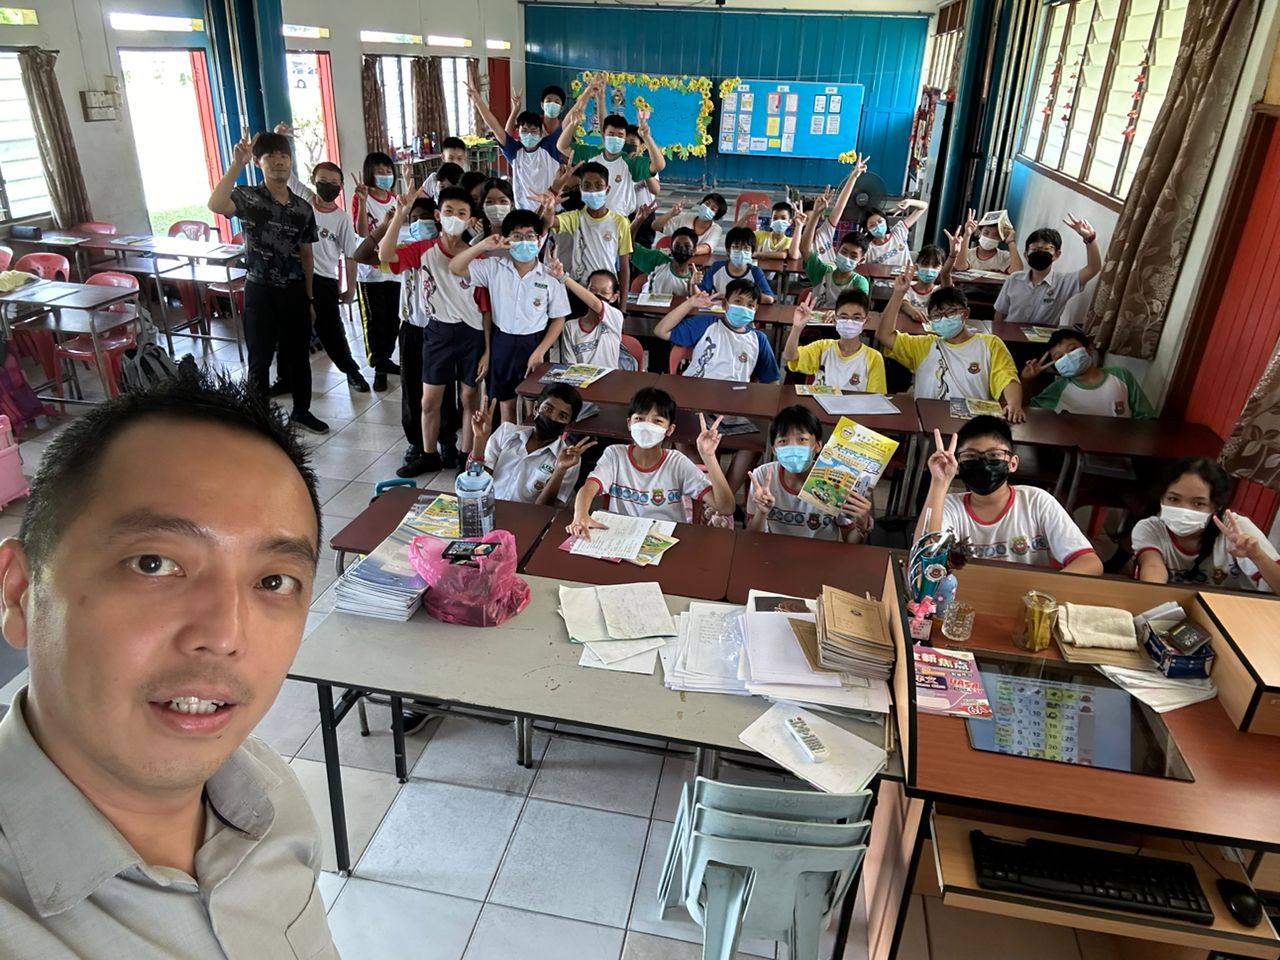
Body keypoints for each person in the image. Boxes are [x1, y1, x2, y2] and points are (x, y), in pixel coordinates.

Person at [0, 373, 336, 957]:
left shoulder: (271, 799)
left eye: (274, 581)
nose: (225, 635)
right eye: (153, 563)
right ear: (20, 592)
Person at [207, 130, 325, 434]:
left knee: (298, 356)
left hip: (295, 290)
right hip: (260, 290)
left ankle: (302, 411)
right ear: (259, 162)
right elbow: (216, 204)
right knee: (259, 357)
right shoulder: (248, 197)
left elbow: (307, 256)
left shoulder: (302, 208)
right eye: (271, 156)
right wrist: (237, 164)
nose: (279, 162)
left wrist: (310, 298)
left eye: (284, 156)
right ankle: (257, 419)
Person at [380, 186, 491, 477]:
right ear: (438, 215)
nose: (455, 217)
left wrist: (487, 350)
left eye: (462, 213)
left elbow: (485, 309)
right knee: (429, 401)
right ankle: (429, 455)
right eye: (449, 211)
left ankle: (467, 456)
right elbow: (385, 255)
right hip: (437, 333)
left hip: (471, 336)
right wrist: (399, 215)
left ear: (470, 220)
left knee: (469, 398)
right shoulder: (423, 249)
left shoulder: (477, 257)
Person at [917, 417, 1102, 574]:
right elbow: (923, 561)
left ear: (1013, 463)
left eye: (994, 455)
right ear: (959, 466)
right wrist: (939, 483)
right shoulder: (948, 506)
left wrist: (1042, 592)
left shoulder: (1037, 501)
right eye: (971, 457)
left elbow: (1090, 563)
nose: (984, 464)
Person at [449, 211, 570, 423]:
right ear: (507, 240)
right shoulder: (494, 267)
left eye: (530, 236)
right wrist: (483, 245)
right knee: (506, 403)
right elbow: (455, 267)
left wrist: (540, 351)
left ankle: (531, 441)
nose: (524, 241)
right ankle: (508, 441)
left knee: (535, 405)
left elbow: (559, 318)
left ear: (539, 239)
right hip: (502, 342)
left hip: (534, 344)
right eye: (517, 236)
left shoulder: (550, 276)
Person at [568, 387, 734, 534]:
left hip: (666, 538)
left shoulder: (677, 463)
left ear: (669, 430)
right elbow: (588, 489)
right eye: (639, 419)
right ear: (629, 423)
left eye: (657, 421)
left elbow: (725, 507)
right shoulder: (615, 455)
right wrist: (580, 515)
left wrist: (708, 456)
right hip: (621, 536)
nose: (646, 426)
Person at [278, 152, 372, 393]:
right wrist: (282, 140)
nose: (328, 186)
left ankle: (352, 372)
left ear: (341, 186)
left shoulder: (341, 219)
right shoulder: (305, 200)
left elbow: (350, 255)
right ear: (313, 181)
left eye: (333, 183)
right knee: (289, 329)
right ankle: (285, 378)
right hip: (296, 276)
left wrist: (351, 289)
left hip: (324, 281)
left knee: (331, 330)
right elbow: (287, 173)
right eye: (322, 181)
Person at [878, 267, 1024, 422]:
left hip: (973, 424)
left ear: (965, 313)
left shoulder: (990, 344)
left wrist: (1014, 404)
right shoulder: (925, 345)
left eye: (951, 312)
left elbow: (1007, 378)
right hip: (928, 422)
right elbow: (884, 335)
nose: (944, 318)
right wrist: (898, 294)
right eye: (937, 315)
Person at [1133, 458, 1280, 592]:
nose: (1184, 510)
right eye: (1174, 499)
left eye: (1198, 503)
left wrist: (1257, 556)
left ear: (1217, 506)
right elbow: (1152, 568)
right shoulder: (1150, 528)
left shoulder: (1237, 528)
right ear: (1162, 498)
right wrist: (1154, 596)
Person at [747, 404, 872, 542]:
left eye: (802, 440)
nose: (793, 448)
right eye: (783, 441)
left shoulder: (836, 481)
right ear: (774, 450)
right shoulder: (763, 476)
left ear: (818, 445)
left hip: (821, 552)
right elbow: (753, 539)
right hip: (774, 550)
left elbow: (850, 540)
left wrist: (861, 527)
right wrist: (761, 512)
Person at [468, 388, 594, 507]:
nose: (552, 418)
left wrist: (559, 470)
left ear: (570, 425)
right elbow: (474, 484)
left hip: (525, 518)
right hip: (487, 510)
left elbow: (544, 510)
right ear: (536, 408)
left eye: (562, 416)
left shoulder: (569, 459)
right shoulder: (506, 432)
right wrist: (479, 440)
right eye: (548, 409)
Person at [655, 283, 781, 384]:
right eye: (738, 301)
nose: (744, 308)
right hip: (694, 392)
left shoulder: (758, 339)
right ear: (725, 304)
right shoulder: (707, 324)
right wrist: (690, 303)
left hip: (733, 401)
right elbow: (661, 331)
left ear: (756, 309)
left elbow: (772, 381)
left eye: (750, 305)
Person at [540, 160, 633, 295]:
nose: (593, 191)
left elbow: (624, 268)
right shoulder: (575, 218)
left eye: (598, 186)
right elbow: (547, 222)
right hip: (580, 290)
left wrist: (622, 304)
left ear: (607, 189)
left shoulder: (620, 222)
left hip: (606, 291)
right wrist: (550, 202)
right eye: (587, 186)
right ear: (582, 189)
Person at [351, 151, 403, 391]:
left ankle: (387, 358)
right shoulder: (362, 198)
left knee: (393, 319)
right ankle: (379, 366)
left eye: (388, 171)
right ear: (369, 173)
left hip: (392, 269)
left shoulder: (394, 199)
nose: (385, 175)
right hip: (370, 273)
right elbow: (362, 233)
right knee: (375, 321)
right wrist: (362, 202)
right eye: (379, 171)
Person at [471, 79, 563, 213]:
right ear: (518, 132)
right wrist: (477, 100)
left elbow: (569, 121)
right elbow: (494, 126)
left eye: (533, 131)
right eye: (524, 130)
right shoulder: (514, 151)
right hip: (524, 213)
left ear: (540, 133)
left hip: (552, 211)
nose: (529, 134)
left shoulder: (548, 147)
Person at [994, 216, 1101, 327]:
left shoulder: (1064, 282)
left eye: (1046, 249)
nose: (1040, 253)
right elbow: (1000, 313)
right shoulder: (1014, 279)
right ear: (1026, 255)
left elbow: (1093, 268)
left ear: (1056, 254)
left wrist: (1090, 239)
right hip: (1010, 333)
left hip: (1042, 337)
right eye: (1034, 249)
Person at [1023, 327, 1154, 417]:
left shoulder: (1121, 375)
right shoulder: (1058, 388)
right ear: (1057, 366)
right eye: (1059, 357)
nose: (1068, 357)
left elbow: (1146, 416)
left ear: (1089, 349)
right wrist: (1026, 380)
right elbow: (1027, 410)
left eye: (1072, 349)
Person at [559, 108, 666, 218]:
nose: (615, 138)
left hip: (619, 220)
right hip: (589, 218)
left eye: (620, 135)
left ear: (624, 139)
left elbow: (659, 165)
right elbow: (562, 146)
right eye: (611, 134)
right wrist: (572, 124)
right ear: (603, 135)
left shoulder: (630, 161)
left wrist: (646, 137)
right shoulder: (592, 154)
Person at [784, 293, 886, 393]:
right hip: (820, 403)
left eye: (856, 318)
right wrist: (797, 328)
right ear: (835, 319)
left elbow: (876, 398)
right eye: (844, 317)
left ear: (866, 321)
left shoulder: (874, 358)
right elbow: (790, 356)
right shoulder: (822, 347)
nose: (849, 322)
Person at [547, 257, 629, 369]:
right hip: (580, 378)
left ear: (614, 297)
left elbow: (596, 304)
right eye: (593, 291)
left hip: (610, 378)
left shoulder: (615, 317)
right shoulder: (570, 327)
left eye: (604, 292)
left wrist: (563, 277)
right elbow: (569, 365)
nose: (597, 296)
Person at [799, 215, 870, 309]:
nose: (847, 257)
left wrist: (835, 314)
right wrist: (815, 214)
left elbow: (857, 308)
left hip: (842, 318)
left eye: (853, 256)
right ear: (837, 250)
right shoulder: (822, 272)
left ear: (861, 260)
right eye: (844, 252)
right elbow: (804, 249)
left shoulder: (859, 282)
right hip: (815, 317)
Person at [699, 226, 775, 302]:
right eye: (736, 247)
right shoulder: (716, 267)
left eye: (746, 248)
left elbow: (769, 298)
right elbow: (701, 292)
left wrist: (733, 297)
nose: (741, 252)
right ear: (728, 250)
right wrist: (694, 284)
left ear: (752, 252)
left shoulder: (755, 272)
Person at [632, 227, 701, 297]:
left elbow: (699, 299)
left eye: (687, 246)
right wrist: (637, 222)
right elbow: (629, 248)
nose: (682, 248)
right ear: (671, 248)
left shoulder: (694, 276)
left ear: (694, 251)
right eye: (677, 245)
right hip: (650, 303)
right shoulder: (659, 260)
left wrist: (693, 285)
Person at [862, 198, 928, 267]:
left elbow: (923, 207)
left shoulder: (899, 231)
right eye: (872, 225)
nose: (878, 226)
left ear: (885, 220)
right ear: (867, 229)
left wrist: (909, 202)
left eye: (880, 221)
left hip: (907, 273)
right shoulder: (867, 248)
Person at [654, 193, 728, 254]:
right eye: (707, 204)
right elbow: (655, 226)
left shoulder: (716, 229)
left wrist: (684, 251)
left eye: (713, 209)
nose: (707, 208)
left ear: (716, 215)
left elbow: (706, 248)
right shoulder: (686, 218)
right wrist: (672, 213)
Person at [954, 209, 1023, 274]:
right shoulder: (968, 253)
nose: (990, 237)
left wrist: (1011, 241)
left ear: (1001, 238)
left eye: (996, 235)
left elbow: (1017, 272)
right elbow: (960, 267)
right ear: (979, 233)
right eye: (986, 233)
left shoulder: (1004, 256)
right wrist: (967, 235)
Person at [898, 243, 953, 324]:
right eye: (925, 264)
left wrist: (953, 255)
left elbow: (948, 285)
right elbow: (903, 303)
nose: (929, 269)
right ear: (917, 266)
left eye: (935, 266)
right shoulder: (907, 288)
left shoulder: (939, 291)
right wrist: (913, 312)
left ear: (942, 268)